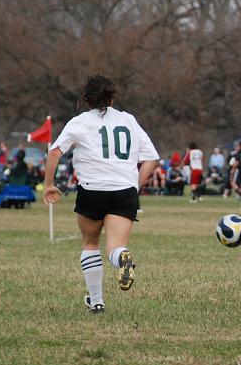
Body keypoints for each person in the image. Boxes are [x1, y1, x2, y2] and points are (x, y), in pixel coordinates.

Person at [43, 74, 159, 314]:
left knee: (90, 243)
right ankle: (122, 258)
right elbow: (151, 158)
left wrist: (49, 185)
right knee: (116, 246)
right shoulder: (128, 120)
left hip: (93, 191)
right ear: (112, 97)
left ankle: (97, 301)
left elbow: (54, 153)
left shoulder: (80, 121)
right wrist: (133, 186)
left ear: (86, 99)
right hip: (124, 193)